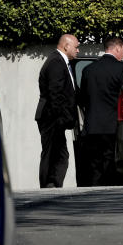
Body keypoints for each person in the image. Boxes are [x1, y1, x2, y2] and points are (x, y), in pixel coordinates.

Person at [77, 36, 123, 186]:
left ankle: (94, 191)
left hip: (92, 125)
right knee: (110, 162)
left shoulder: (88, 70)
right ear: (117, 48)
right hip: (113, 125)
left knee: (94, 164)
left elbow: (83, 98)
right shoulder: (121, 69)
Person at [35, 34, 80, 188]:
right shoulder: (56, 62)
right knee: (53, 154)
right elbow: (56, 94)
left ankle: (52, 184)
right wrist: (62, 119)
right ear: (66, 46)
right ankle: (50, 184)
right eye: (76, 47)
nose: (78, 50)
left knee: (59, 154)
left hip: (53, 117)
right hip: (52, 117)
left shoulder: (59, 61)